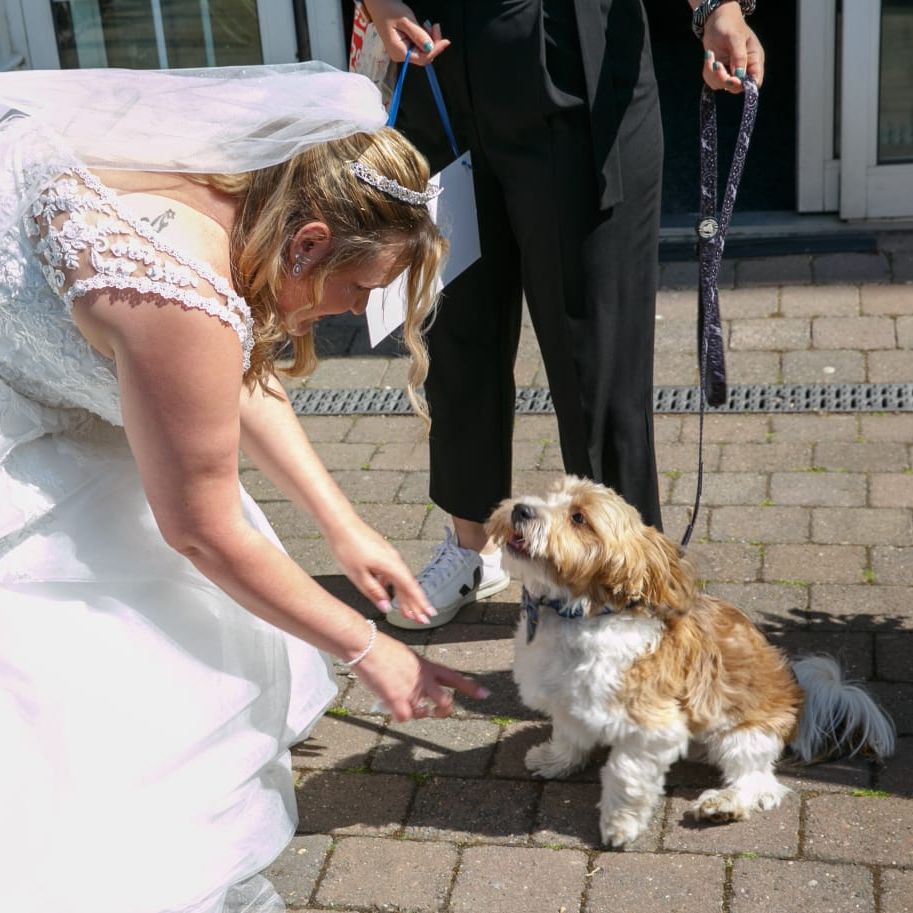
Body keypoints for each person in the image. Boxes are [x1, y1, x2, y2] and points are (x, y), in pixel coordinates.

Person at [0, 63, 487, 913]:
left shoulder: (232, 186)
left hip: (34, 380)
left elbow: (224, 372)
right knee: (109, 690)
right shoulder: (175, 294)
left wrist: (342, 524)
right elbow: (202, 528)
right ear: (309, 242)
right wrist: (368, 648)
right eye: (358, 289)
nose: (352, 313)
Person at [359, 0, 766, 629]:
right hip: (435, 63)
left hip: (576, 71)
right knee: (457, 334)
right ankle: (472, 548)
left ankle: (622, 582)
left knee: (596, 357)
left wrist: (716, 8)